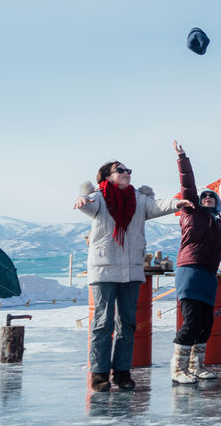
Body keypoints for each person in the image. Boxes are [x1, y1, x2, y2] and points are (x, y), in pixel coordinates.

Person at [74, 158, 189, 392]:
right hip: (105, 269)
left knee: (127, 323)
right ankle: (99, 373)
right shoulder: (100, 196)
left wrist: (178, 203)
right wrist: (82, 199)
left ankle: (123, 372)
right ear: (107, 176)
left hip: (132, 270)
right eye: (121, 170)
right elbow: (89, 205)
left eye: (128, 170)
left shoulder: (139, 199)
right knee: (102, 322)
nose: (127, 173)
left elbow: (157, 206)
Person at [170, 141, 221, 384]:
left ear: (217, 203)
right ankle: (177, 369)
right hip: (190, 270)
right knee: (192, 321)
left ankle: (197, 366)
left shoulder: (217, 223)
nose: (206, 199)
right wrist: (183, 158)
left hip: (208, 274)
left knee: (205, 322)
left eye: (211, 198)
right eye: (203, 197)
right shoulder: (191, 212)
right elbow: (188, 185)